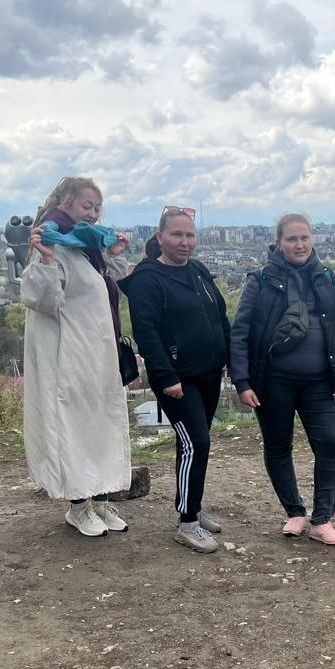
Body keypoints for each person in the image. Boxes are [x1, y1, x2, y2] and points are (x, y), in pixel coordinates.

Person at [230, 214, 335, 545]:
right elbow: (241, 332)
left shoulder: (328, 280)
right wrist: (242, 381)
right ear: (279, 242)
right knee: (278, 445)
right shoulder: (260, 281)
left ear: (312, 239)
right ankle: (294, 511)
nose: (299, 244)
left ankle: (322, 519)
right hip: (273, 381)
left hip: (321, 380)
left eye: (304, 238)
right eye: (292, 239)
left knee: (331, 443)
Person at [21, 176, 133, 537]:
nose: (94, 214)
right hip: (68, 353)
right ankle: (78, 507)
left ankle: (101, 501)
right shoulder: (51, 241)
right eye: (87, 206)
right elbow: (41, 301)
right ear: (65, 201)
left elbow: (112, 286)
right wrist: (47, 260)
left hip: (99, 350)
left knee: (102, 424)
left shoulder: (88, 245)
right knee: (73, 427)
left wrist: (114, 256)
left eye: (98, 207)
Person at [120, 206, 230, 554]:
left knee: (195, 443)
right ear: (160, 237)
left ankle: (192, 505)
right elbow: (146, 333)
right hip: (176, 379)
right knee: (197, 441)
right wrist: (166, 375)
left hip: (209, 372)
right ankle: (187, 523)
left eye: (190, 235)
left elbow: (219, 315)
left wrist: (228, 359)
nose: (185, 242)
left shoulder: (198, 270)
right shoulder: (147, 278)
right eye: (177, 235)